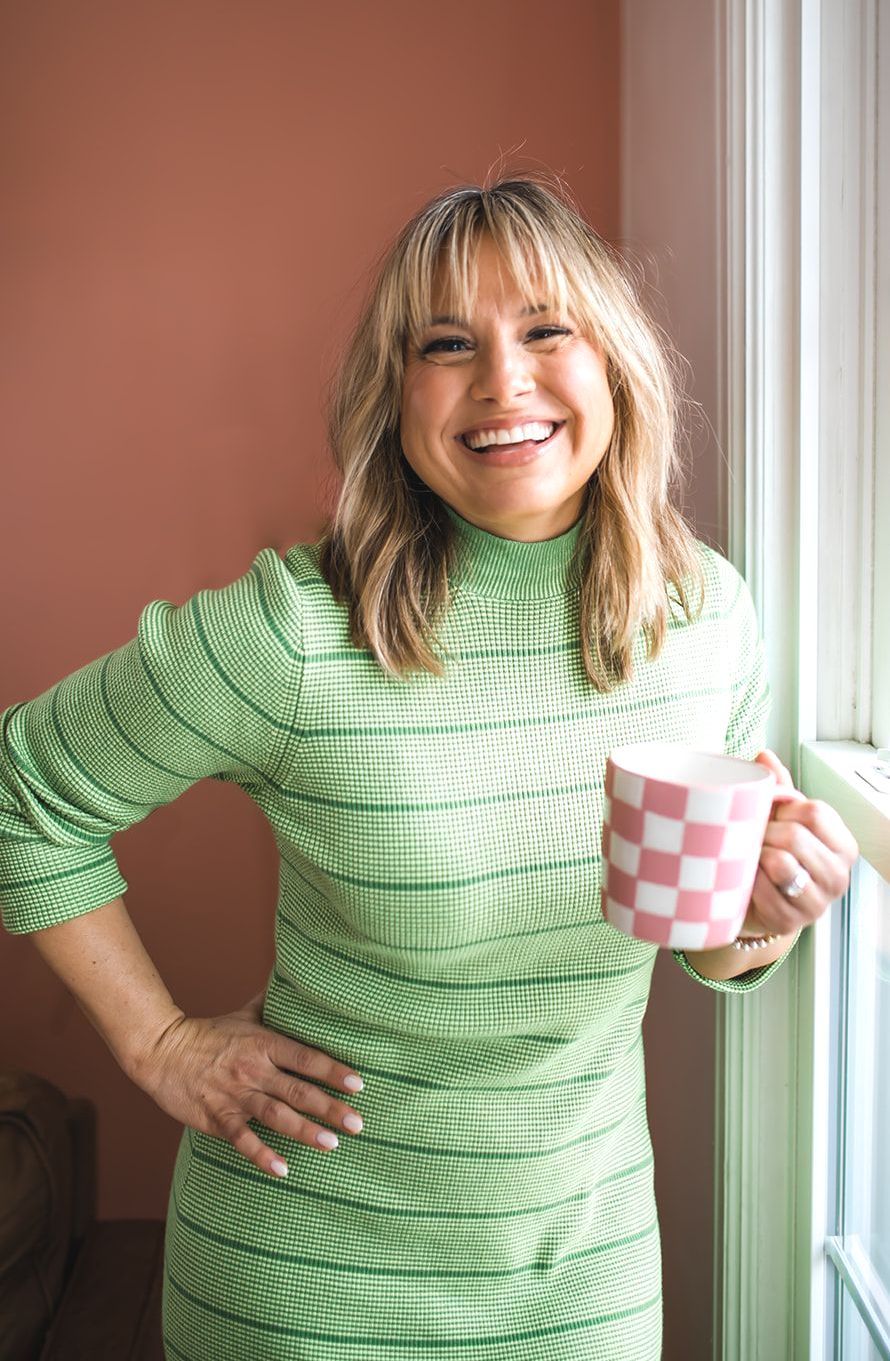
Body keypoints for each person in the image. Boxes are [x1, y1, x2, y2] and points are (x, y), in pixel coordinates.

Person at [0, 175, 858, 1361]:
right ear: (395, 399)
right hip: (300, 1288)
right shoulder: (295, 632)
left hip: (584, 1275)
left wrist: (767, 915)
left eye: (545, 328)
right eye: (445, 344)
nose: (503, 379)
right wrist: (160, 1043)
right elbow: (22, 792)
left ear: (613, 362)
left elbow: (702, 938)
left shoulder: (705, 615)